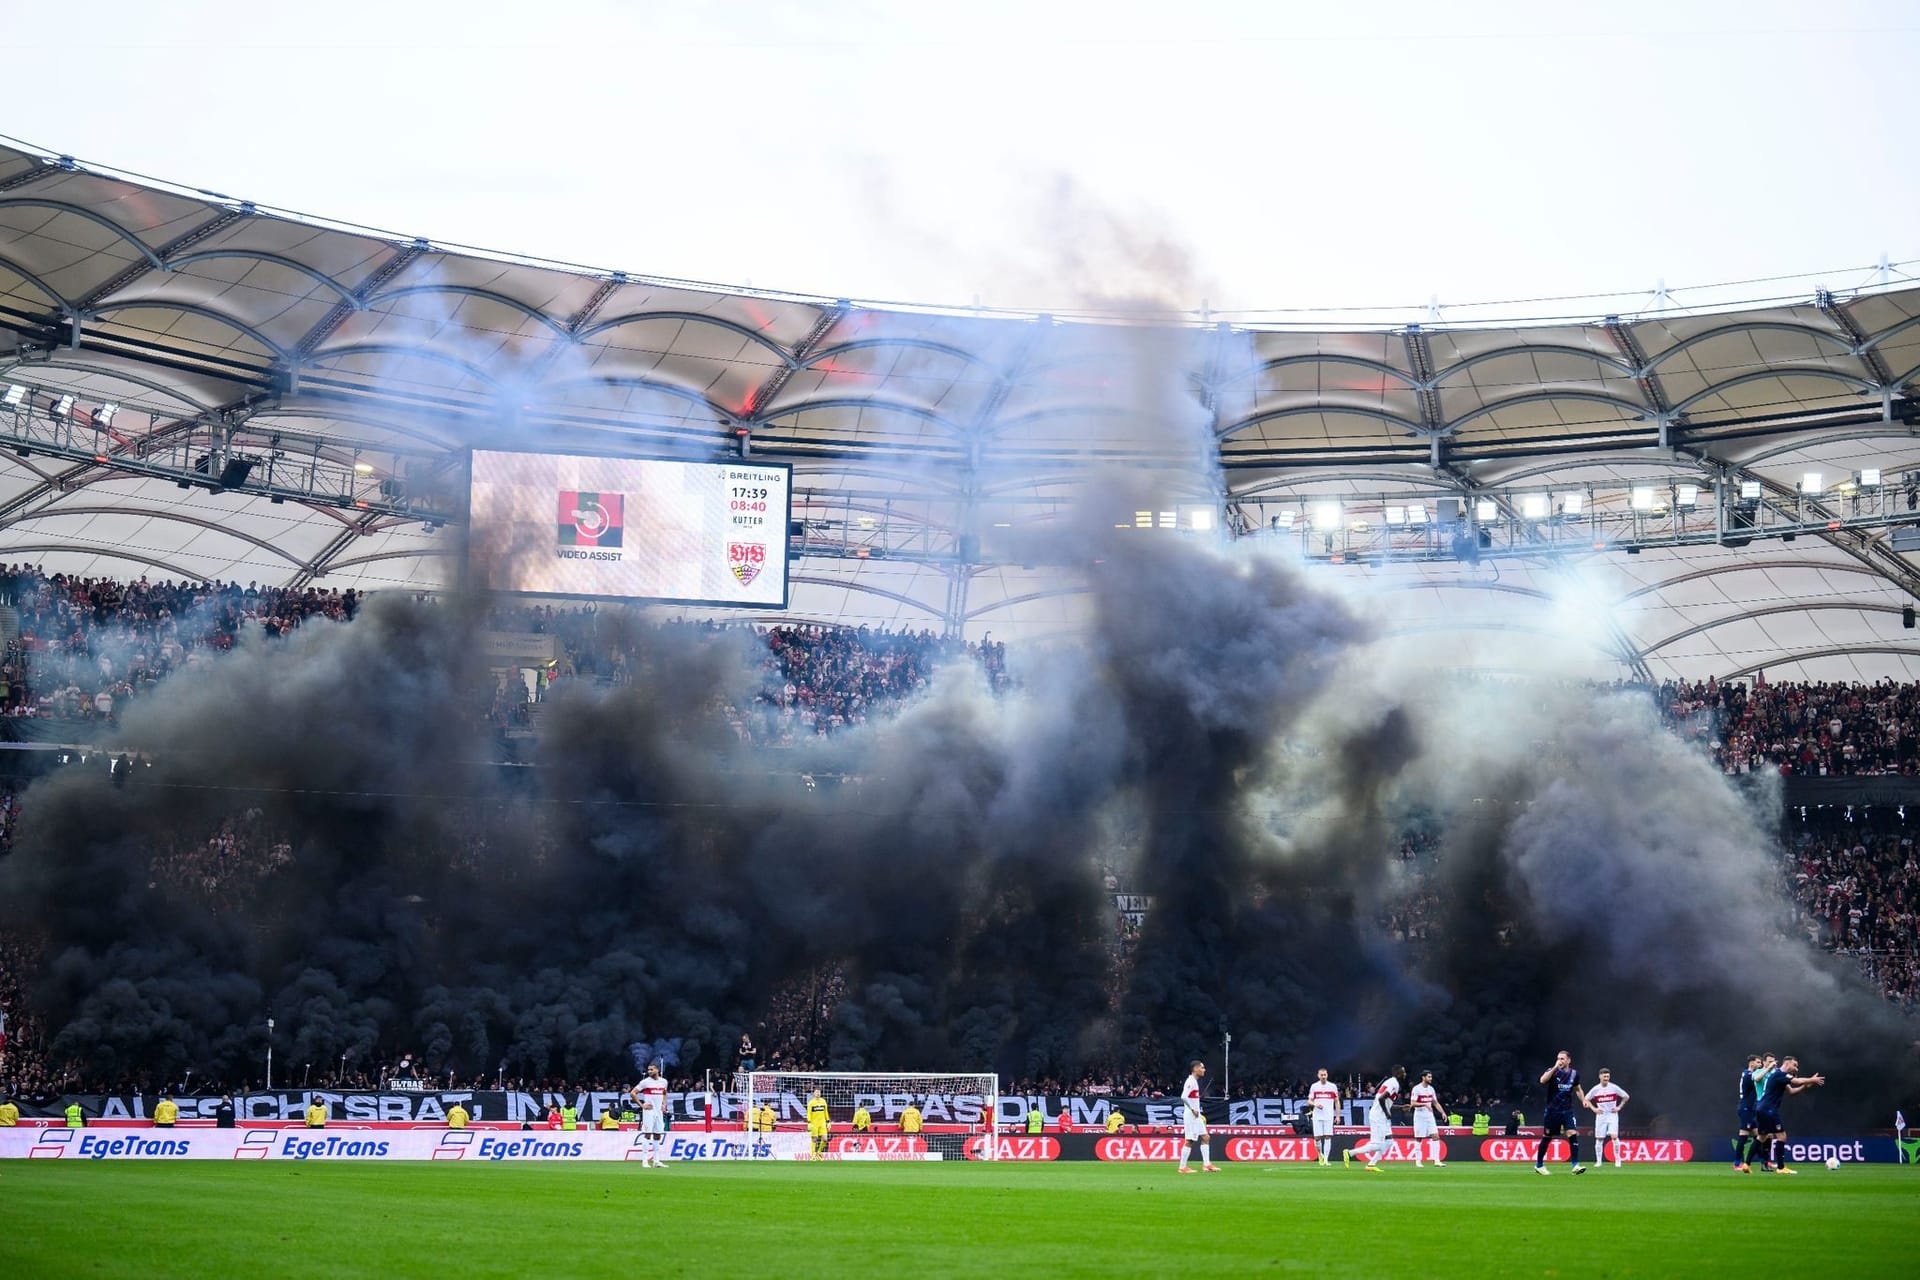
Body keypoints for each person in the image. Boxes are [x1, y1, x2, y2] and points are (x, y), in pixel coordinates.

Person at [1754, 1055, 1825, 1174]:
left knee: (1763, 1137)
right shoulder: (1779, 1074)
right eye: (1795, 1065)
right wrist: (1812, 1080)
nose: (1796, 1068)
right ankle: (1780, 1168)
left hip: (1765, 1108)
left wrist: (1804, 1086)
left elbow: (1791, 1091)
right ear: (1786, 1064)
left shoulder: (1780, 1076)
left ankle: (1748, 1163)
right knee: (1780, 1137)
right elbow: (1797, 1081)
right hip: (1768, 1108)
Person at [1534, 1050, 1586, 1175]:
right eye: (1558, 1058)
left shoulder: (1574, 1074)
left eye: (1562, 1059)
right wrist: (1554, 1068)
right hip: (1552, 1111)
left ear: (1569, 1060)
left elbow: (1578, 1089)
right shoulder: (1552, 1071)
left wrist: (1584, 1100)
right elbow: (1542, 1080)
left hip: (1567, 1110)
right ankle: (1539, 1165)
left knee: (1572, 1133)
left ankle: (1575, 1165)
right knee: (1547, 1137)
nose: (1560, 1061)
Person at [1345, 1067, 1401, 1172]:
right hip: (1379, 1116)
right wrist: (1387, 1113)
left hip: (1380, 1115)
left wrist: (1401, 1107)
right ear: (1398, 1073)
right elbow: (1381, 1099)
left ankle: (1371, 1164)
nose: (1405, 1073)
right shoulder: (1394, 1083)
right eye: (1403, 1071)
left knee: (1389, 1142)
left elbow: (1385, 1102)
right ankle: (1349, 1153)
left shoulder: (1390, 1082)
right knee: (1377, 1144)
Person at [1176, 1060, 1216, 1173]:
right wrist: (1192, 1109)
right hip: (1191, 1115)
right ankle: (1182, 1167)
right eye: (1202, 1068)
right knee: (1189, 1140)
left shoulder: (1195, 1081)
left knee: (1205, 1137)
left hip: (1196, 1115)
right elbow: (1183, 1096)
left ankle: (1207, 1165)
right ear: (1195, 1069)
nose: (1204, 1070)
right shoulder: (1191, 1081)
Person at [1584, 1069, 1630, 1168]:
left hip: (1612, 1115)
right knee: (1599, 1138)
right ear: (1599, 1077)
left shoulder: (1614, 1087)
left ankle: (1618, 1159)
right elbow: (1586, 1099)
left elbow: (1626, 1096)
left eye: (1607, 1077)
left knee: (1614, 1136)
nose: (1606, 1079)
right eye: (1604, 1077)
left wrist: (1619, 1107)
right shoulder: (1595, 1089)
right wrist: (1593, 1109)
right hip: (1601, 1115)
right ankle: (1599, 1161)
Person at [632, 1064, 669, 1168]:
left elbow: (665, 1093)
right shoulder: (645, 1082)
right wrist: (642, 1105)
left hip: (659, 1112)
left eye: (651, 1070)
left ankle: (656, 1161)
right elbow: (633, 1093)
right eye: (648, 1070)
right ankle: (644, 1161)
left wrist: (664, 1104)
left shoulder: (664, 1081)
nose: (649, 1071)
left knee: (658, 1134)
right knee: (647, 1134)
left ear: (657, 1070)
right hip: (649, 1112)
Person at [1408, 1071, 1446, 1168]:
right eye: (1429, 1077)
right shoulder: (1416, 1089)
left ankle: (1437, 1161)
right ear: (1423, 1077)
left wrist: (1442, 1113)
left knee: (1436, 1136)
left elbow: (1435, 1102)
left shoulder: (1431, 1089)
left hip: (1429, 1116)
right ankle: (1418, 1161)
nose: (1430, 1079)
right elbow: (1412, 1103)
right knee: (1419, 1138)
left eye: (1431, 1077)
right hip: (1419, 1116)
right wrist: (1424, 1104)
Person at [1733, 1053, 1762, 1172]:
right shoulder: (1748, 1074)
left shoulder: (1751, 1074)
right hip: (1745, 1108)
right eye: (1758, 1062)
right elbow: (1758, 1079)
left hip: (1750, 1108)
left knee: (1758, 1136)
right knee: (1744, 1136)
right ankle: (1736, 1164)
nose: (1760, 1065)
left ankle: (1765, 1161)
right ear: (1751, 1063)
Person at [1307, 1068, 1341, 1166]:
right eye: (1321, 1075)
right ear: (1318, 1076)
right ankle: (1320, 1155)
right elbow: (1309, 1101)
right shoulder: (1314, 1086)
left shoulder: (1332, 1086)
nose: (1323, 1077)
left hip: (1329, 1115)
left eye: (1324, 1075)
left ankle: (1326, 1159)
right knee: (1317, 1137)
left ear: (1327, 1075)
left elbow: (1337, 1101)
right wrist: (1315, 1105)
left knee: (1327, 1136)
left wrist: (1338, 1116)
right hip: (1317, 1115)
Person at [806, 1086, 830, 1160]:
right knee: (814, 1139)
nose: (818, 1093)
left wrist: (828, 1121)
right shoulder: (811, 1103)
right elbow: (809, 1113)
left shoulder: (823, 1101)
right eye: (816, 1092)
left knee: (825, 1139)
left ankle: (819, 1153)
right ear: (814, 1093)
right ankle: (813, 1155)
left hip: (822, 1123)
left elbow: (826, 1112)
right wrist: (809, 1122)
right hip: (814, 1124)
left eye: (819, 1092)